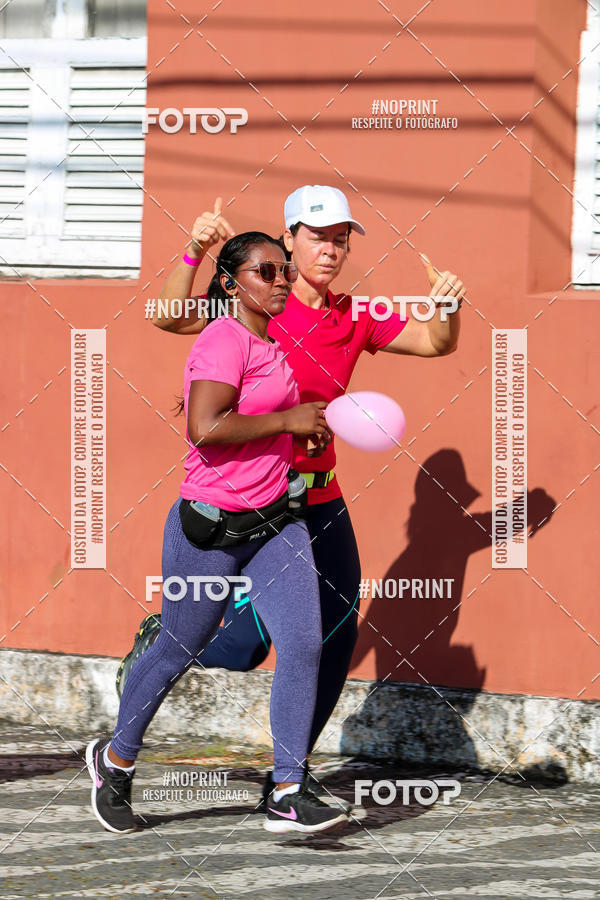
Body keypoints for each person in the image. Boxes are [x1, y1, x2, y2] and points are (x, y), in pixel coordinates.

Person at [117, 185, 465, 807]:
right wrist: (195, 250)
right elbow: (169, 315)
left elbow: (438, 343)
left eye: (341, 239)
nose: (330, 250)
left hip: (319, 502)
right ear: (289, 239)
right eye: (317, 237)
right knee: (247, 646)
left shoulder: (354, 316)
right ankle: (165, 637)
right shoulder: (256, 307)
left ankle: (289, 779)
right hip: (250, 500)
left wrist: (448, 308)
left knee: (329, 637)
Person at [86, 231, 351, 836]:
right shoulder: (222, 338)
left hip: (276, 521)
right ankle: (115, 762)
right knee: (180, 648)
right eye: (267, 271)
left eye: (284, 269)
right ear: (233, 284)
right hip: (212, 525)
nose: (283, 279)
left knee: (305, 642)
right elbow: (205, 427)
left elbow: (258, 417)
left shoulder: (273, 340)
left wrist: (297, 435)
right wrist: (287, 418)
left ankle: (286, 789)